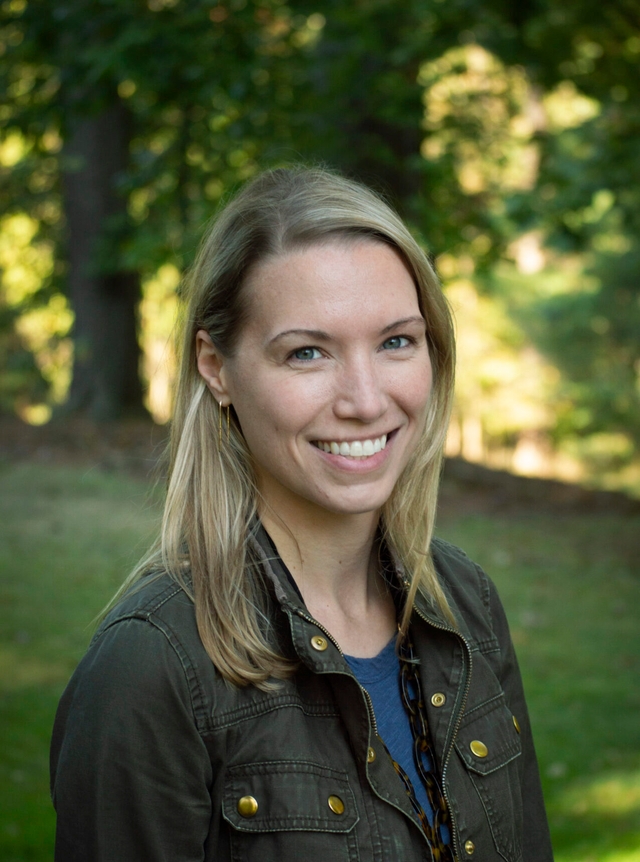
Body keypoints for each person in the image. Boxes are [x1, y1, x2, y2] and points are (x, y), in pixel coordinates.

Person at [50, 167, 553, 862]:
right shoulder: (152, 668)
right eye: (307, 353)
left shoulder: (466, 603)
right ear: (216, 367)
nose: (365, 401)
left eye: (396, 342)